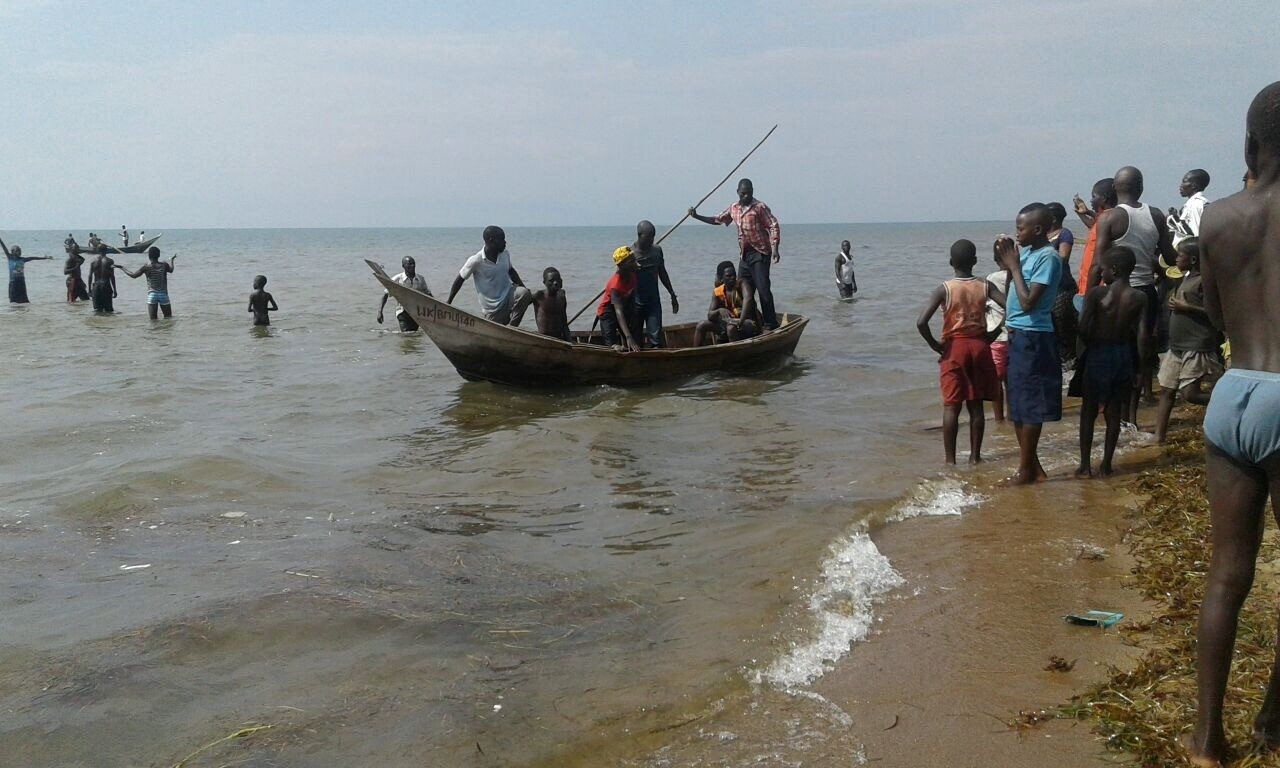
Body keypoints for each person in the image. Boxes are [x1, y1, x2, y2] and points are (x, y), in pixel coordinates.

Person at [1184, 80, 1280, 768]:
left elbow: (1214, 315)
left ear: (1250, 146)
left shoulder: (1215, 218)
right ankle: (1274, 719)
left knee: (1227, 574)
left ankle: (1206, 739)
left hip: (1235, 392)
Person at [1091, 166, 1179, 407]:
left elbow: (1098, 264)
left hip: (1117, 293)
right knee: (1142, 349)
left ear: (1114, 189)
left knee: (1115, 348)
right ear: (1140, 188)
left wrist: (1089, 296)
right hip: (1147, 292)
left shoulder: (1108, 218)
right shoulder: (1157, 215)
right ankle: (1133, 412)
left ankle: (1112, 407)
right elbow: (1170, 257)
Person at [916, 239, 1002, 464]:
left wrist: (935, 344)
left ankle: (950, 460)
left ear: (950, 262)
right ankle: (975, 457)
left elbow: (921, 322)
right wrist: (993, 334)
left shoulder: (944, 289)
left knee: (952, 405)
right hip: (980, 346)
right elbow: (1010, 308)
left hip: (955, 348)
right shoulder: (984, 285)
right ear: (975, 261)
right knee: (976, 405)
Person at [994, 203, 1062, 485]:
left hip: (1034, 336)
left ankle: (1025, 471)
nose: (1017, 233)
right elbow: (1013, 292)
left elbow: (1028, 302)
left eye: (1021, 228)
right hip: (1017, 334)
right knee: (1018, 406)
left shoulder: (1048, 257)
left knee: (1031, 405)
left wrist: (1014, 264)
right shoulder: (1030, 253)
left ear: (1037, 230)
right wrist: (1009, 260)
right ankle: (1033, 467)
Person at [1075, 246, 1148, 477]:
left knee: (1088, 411)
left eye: (1103, 269)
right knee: (1114, 412)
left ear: (1113, 270)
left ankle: (1085, 466)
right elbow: (1142, 335)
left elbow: (1083, 327)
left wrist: (1081, 356)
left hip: (1097, 354)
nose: (1100, 272)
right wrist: (1140, 368)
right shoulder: (1139, 297)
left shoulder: (1097, 294)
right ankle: (1106, 464)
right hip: (1122, 356)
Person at [688, 178, 781, 331]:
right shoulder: (734, 208)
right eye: (743, 193)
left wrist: (775, 247)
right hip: (744, 255)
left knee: (763, 289)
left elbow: (773, 225)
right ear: (738, 192)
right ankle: (751, 321)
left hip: (760, 253)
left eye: (749, 193)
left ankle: (770, 323)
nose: (746, 196)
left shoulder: (759, 207)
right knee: (743, 291)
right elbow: (717, 220)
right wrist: (697, 216)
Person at [1152, 238, 1221, 444]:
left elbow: (1216, 314)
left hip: (1196, 344)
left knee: (1190, 394)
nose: (1176, 258)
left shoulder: (1204, 282)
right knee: (1166, 389)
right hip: (1177, 346)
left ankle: (1227, 403)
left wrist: (1187, 308)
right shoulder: (1186, 277)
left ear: (1192, 259)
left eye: (1180, 255)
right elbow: (1166, 272)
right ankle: (1158, 435)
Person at [446, 226, 532, 326]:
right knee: (494, 325)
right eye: (502, 239)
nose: (505, 242)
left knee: (524, 293)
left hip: (508, 297)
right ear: (492, 240)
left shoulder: (505, 254)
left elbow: (511, 271)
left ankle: (512, 329)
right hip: (492, 311)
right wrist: (448, 302)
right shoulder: (476, 260)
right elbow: (460, 279)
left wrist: (525, 290)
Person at [632, 220, 678, 348]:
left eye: (653, 236)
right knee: (635, 340)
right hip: (635, 304)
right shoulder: (630, 254)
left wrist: (672, 295)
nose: (652, 240)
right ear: (639, 235)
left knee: (656, 340)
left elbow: (663, 273)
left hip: (653, 303)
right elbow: (621, 281)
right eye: (649, 237)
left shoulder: (657, 251)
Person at [695, 261, 759, 346]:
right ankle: (696, 353)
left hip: (748, 323)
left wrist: (741, 321)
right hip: (729, 324)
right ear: (722, 278)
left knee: (730, 328)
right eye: (728, 276)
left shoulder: (742, 284)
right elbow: (710, 316)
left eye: (734, 275)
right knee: (701, 325)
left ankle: (735, 355)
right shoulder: (717, 292)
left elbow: (748, 299)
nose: (732, 278)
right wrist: (719, 311)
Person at [1073, 178, 1117, 300]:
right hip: (1088, 285)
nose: (1091, 200)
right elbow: (1095, 226)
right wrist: (1083, 213)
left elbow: (1098, 264)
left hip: (1097, 289)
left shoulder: (1112, 219)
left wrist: (1089, 297)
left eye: (1094, 196)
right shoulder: (1103, 220)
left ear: (1104, 198)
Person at [1046, 202, 1078, 365]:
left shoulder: (1064, 234)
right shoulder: (1042, 236)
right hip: (1045, 289)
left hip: (1062, 288)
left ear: (1052, 218)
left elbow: (1064, 256)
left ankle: (1068, 361)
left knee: (1062, 325)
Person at [596, 246, 642, 351]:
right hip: (608, 311)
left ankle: (631, 347)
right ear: (622, 265)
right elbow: (618, 311)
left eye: (634, 259)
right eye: (631, 261)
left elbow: (631, 300)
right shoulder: (615, 285)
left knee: (634, 327)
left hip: (624, 306)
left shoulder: (633, 275)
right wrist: (628, 337)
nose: (635, 262)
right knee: (612, 345)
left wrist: (630, 331)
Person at [116, 246, 177, 319]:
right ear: (159, 255)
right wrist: (172, 260)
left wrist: (122, 267)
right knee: (168, 319)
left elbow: (133, 275)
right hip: (163, 294)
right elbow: (171, 270)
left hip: (152, 295)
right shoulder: (164, 265)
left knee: (153, 321)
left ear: (149, 256)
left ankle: (155, 330)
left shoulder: (146, 267)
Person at [985, 252, 1011, 422]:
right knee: (1011, 380)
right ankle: (1012, 415)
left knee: (996, 381)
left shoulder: (991, 278)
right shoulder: (1019, 276)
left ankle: (998, 419)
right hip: (1014, 335)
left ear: (995, 259)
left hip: (997, 336)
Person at [376, 255, 431, 332]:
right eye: (409, 264)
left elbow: (428, 295)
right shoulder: (397, 279)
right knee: (406, 333)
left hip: (417, 312)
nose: (412, 265)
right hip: (402, 312)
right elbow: (385, 295)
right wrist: (380, 312)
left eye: (413, 263)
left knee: (413, 334)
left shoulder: (420, 279)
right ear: (403, 266)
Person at [2, 238, 52, 304]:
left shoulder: (23, 259)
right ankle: (14, 313)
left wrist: (45, 258)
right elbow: (4, 247)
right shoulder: (10, 257)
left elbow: (33, 258)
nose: (19, 252)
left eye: (20, 250)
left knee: (24, 302)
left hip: (21, 282)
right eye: (17, 250)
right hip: (13, 282)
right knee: (13, 302)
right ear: (12, 252)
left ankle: (25, 313)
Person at [1168, 169, 1212, 242]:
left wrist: (1174, 219)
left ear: (1194, 186)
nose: (1180, 185)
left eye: (1184, 181)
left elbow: (1195, 237)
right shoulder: (1197, 204)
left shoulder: (1195, 205)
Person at [532, 266, 570, 341]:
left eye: (557, 280)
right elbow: (521, 303)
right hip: (544, 339)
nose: (555, 283)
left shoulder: (562, 297)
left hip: (558, 338)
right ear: (544, 282)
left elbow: (564, 323)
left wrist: (570, 342)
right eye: (551, 281)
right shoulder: (538, 296)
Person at [87, 246, 117, 313]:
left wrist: (89, 290)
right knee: (108, 310)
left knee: (97, 310)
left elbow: (90, 276)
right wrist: (114, 290)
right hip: (106, 285)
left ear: (98, 250)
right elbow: (112, 276)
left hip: (96, 286)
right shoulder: (110, 261)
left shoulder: (93, 262)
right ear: (106, 250)